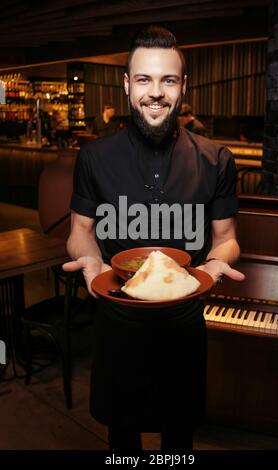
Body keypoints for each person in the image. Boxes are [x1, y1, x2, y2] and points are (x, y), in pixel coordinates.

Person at [63, 26, 245, 451]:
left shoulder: (217, 159)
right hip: (117, 326)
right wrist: (92, 263)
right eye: (144, 79)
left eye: (168, 79)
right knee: (122, 443)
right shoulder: (93, 157)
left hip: (183, 329)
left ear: (184, 85)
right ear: (127, 84)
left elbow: (227, 239)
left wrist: (216, 264)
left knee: (178, 442)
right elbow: (80, 234)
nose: (156, 92)